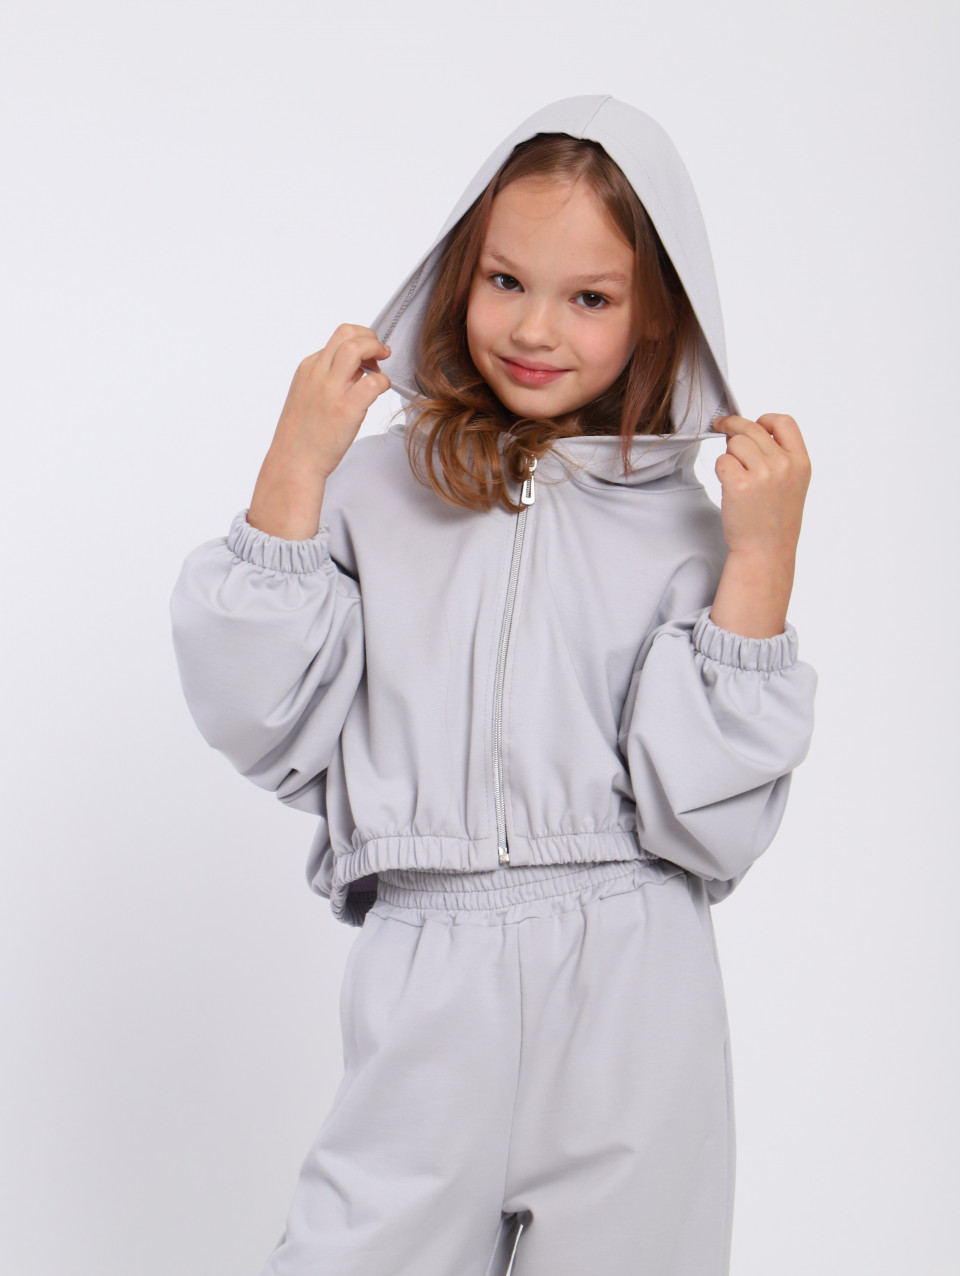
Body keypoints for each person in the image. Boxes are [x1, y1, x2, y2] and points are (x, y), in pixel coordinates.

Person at [170, 95, 817, 1276]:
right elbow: (259, 716)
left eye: (590, 298)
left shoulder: (689, 526)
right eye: (505, 280)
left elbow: (712, 822)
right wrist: (295, 464)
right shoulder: (374, 492)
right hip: (428, 968)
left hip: (634, 991)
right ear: (459, 272)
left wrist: (762, 557)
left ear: (657, 313)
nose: (534, 327)